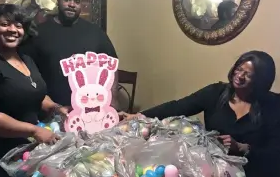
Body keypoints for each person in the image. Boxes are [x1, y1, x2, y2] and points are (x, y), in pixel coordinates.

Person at [120, 51, 280, 177]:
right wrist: (139, 116)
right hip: (213, 168)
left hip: (253, 171)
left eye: (248, 75)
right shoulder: (216, 92)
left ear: (261, 81)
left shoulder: (273, 105)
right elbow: (178, 106)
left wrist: (243, 148)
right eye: (239, 69)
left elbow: (275, 153)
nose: (239, 76)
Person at [0, 4, 68, 177]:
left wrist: (56, 108)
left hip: (21, 151)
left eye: (19, 26)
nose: (13, 30)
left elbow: (35, 94)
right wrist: (34, 131)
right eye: (5, 24)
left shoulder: (26, 60)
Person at [20, 0, 118, 109]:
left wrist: (113, 101)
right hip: (50, 109)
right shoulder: (39, 33)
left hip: (90, 108)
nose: (72, 4)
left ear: (81, 6)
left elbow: (112, 67)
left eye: (77, 1)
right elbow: (25, 69)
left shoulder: (95, 32)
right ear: (58, 1)